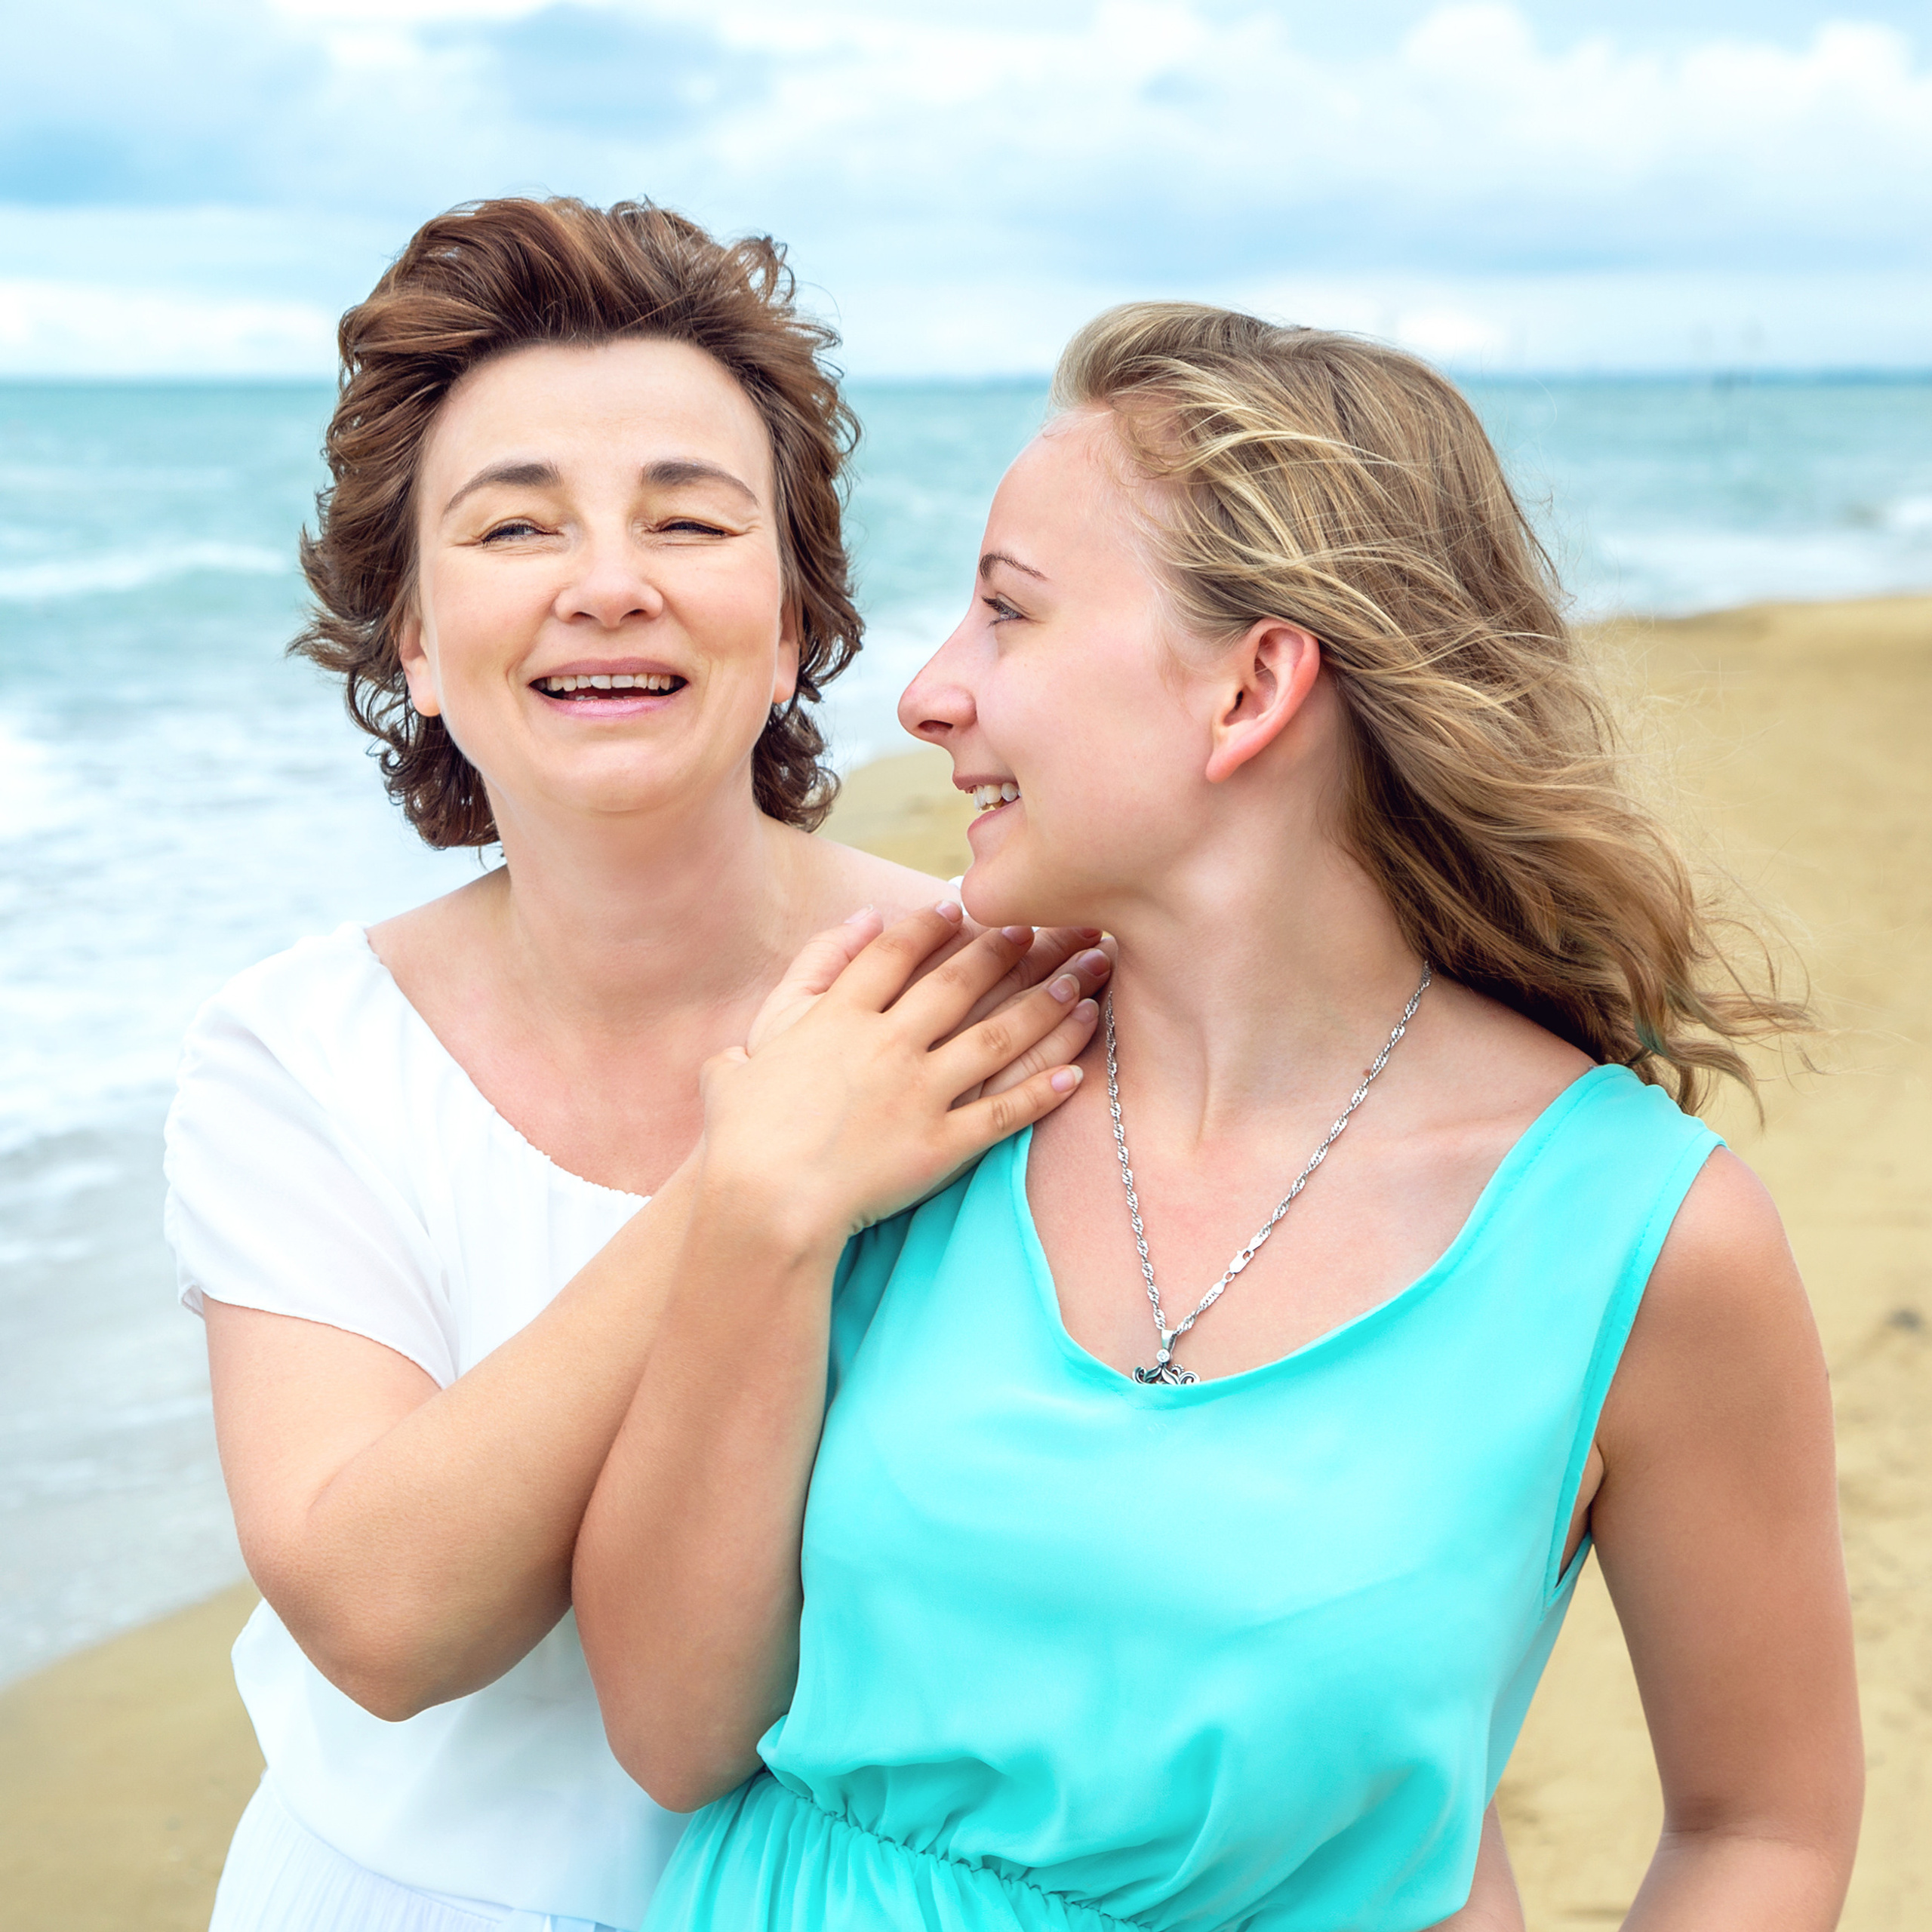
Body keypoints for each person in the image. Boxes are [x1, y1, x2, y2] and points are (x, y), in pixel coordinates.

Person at [574, 305, 1863, 1930]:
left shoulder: (1638, 1237)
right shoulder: (901, 1089)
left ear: (1251, 685)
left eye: (1004, 614)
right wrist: (754, 1211)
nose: (925, 692)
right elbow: (673, 1732)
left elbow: (1759, 1824)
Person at [162, 195, 1108, 1932]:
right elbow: (381, 1619)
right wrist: (760, 1177)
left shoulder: (1000, 998)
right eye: (515, 528)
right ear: (418, 641)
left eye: (690, 517)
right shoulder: (294, 1054)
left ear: (794, 610)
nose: (611, 581)